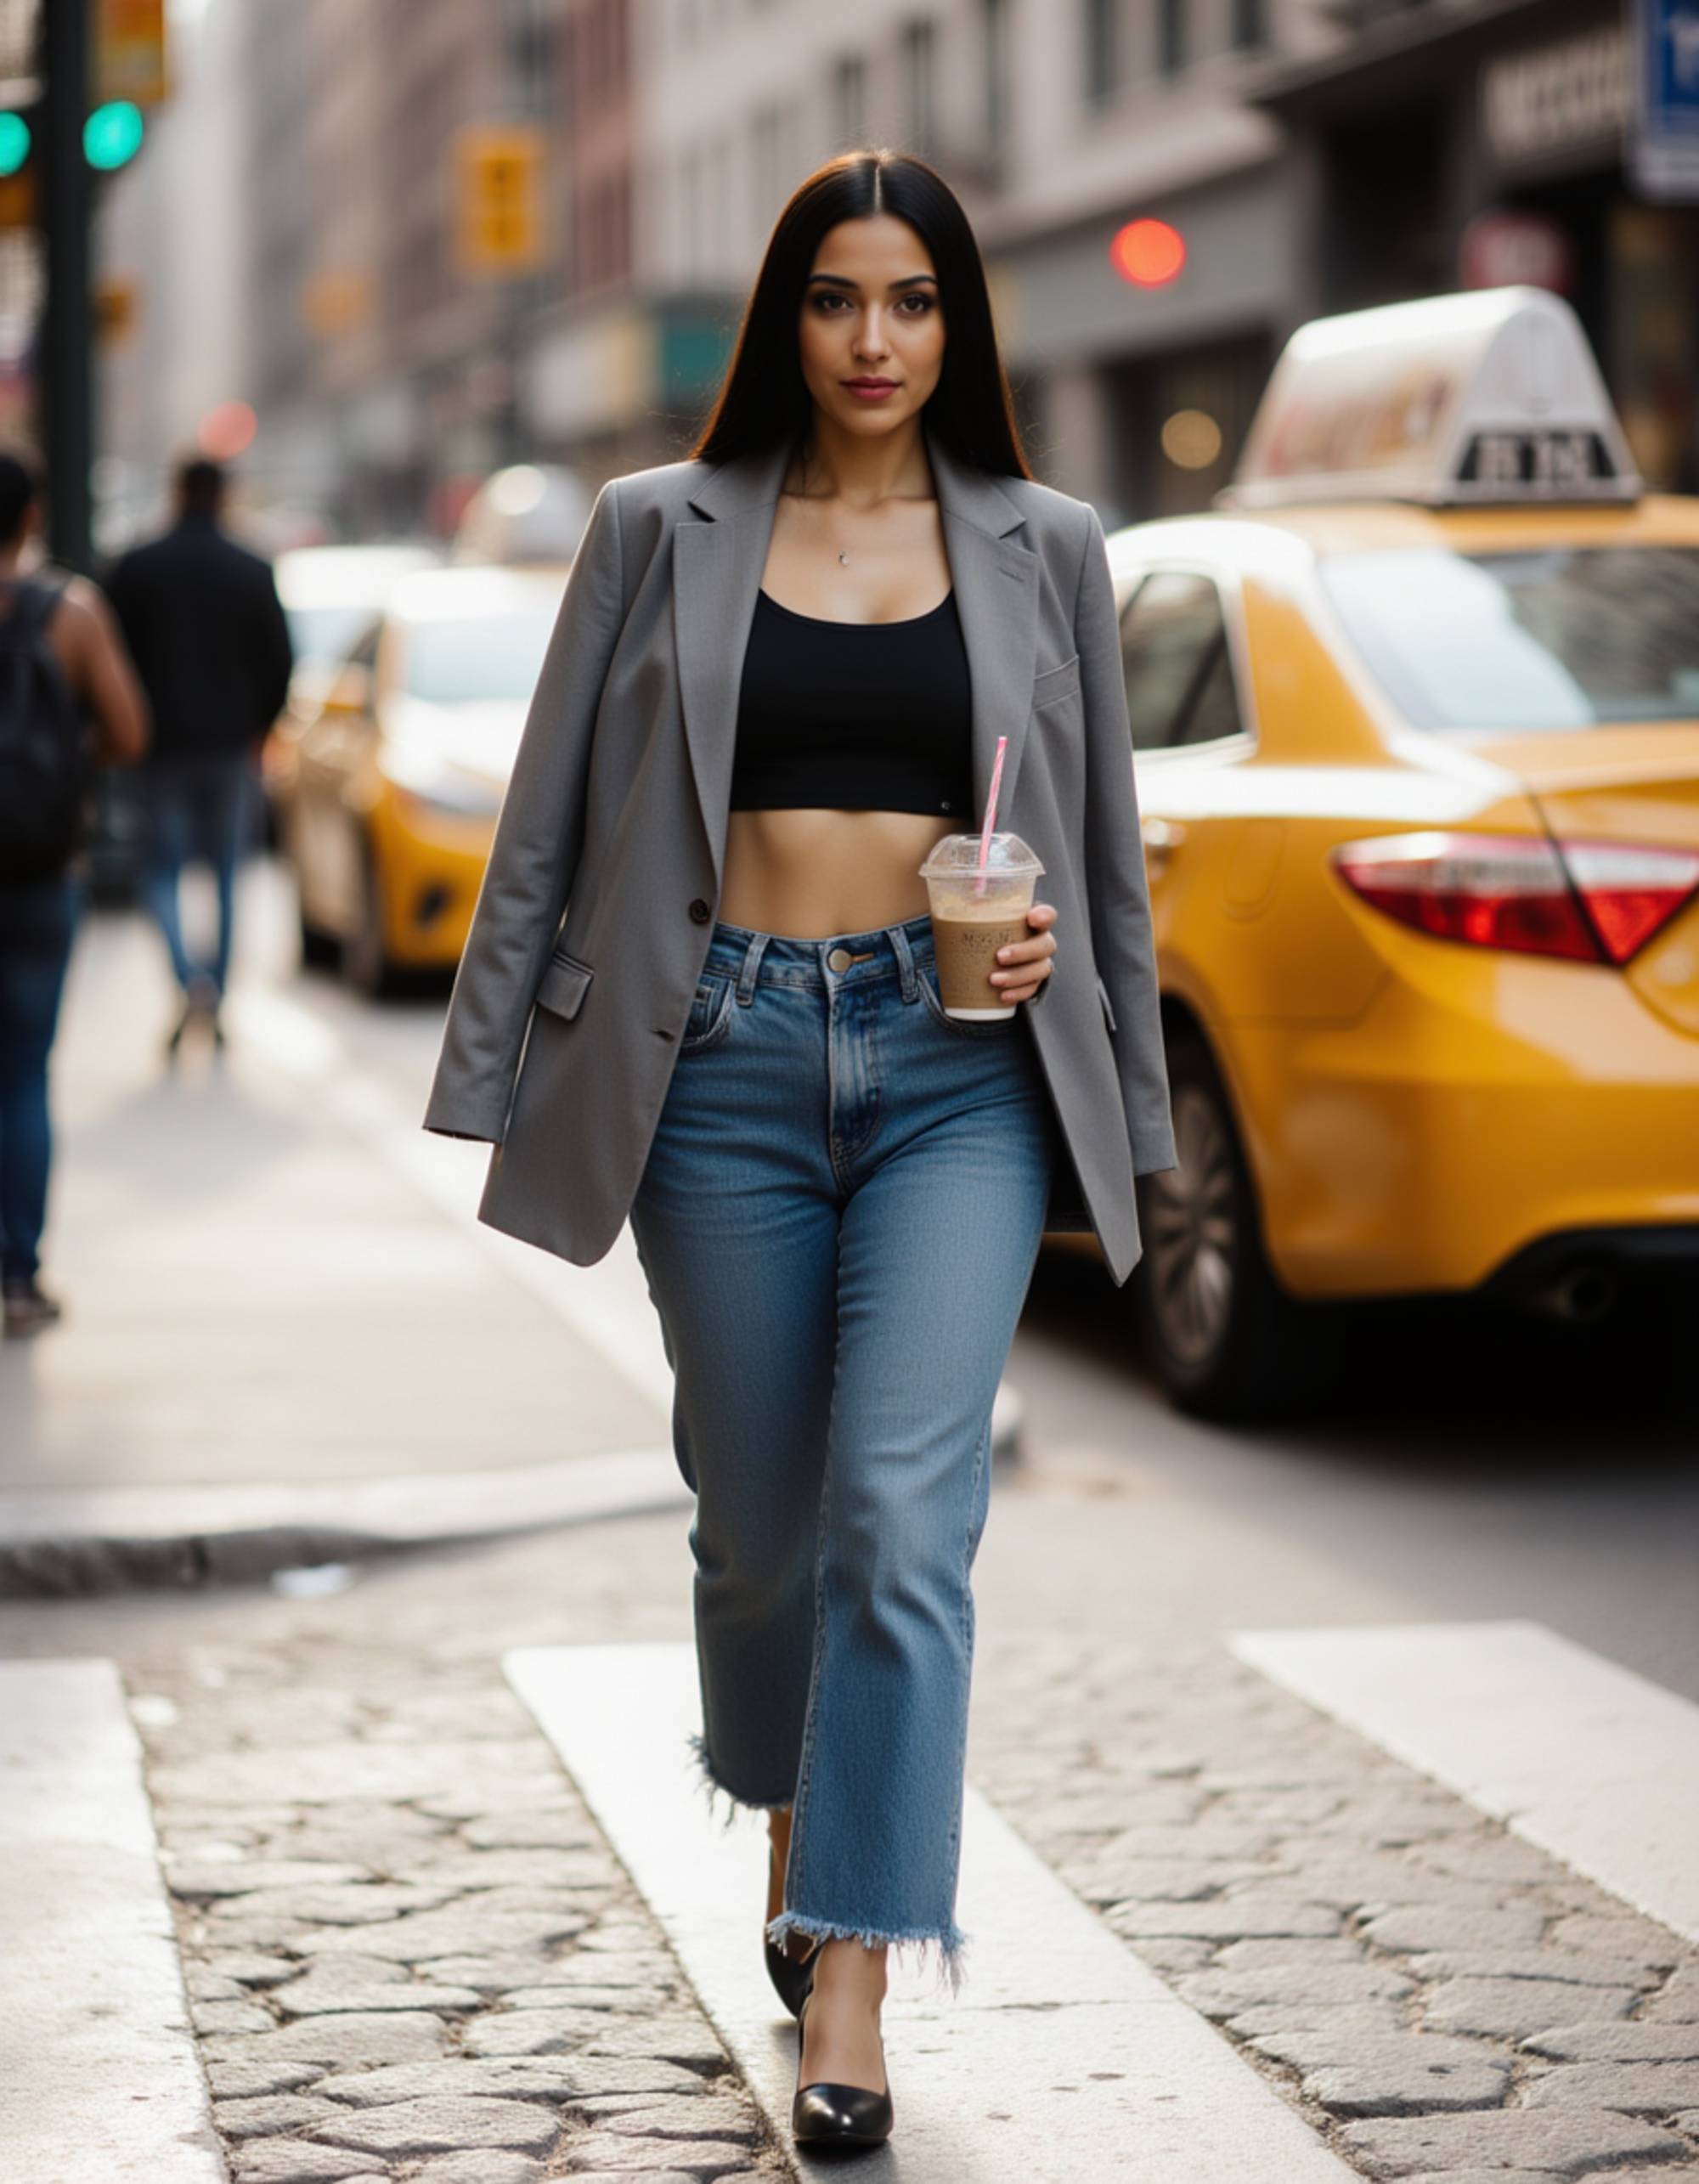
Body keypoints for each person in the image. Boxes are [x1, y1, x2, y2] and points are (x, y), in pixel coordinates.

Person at [423, 149, 1175, 2153]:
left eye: (911, 303)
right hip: (717, 1068)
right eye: (837, 301)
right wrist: (487, 1082)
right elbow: (548, 827)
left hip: (957, 1074)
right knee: (757, 1527)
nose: (872, 341)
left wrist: (1108, 1078)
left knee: (899, 1525)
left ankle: (846, 1968)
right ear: (783, 318)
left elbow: (1096, 864)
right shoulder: (646, 529)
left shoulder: (1048, 543)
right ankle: (787, 1812)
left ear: (959, 325)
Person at [0, 447, 150, 1334]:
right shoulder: (73, 611)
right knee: (22, 1077)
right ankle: (18, 1277)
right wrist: (61, 767)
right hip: (42, 873)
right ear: (30, 519)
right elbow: (130, 731)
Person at [107, 454, 293, 1052]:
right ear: (224, 496)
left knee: (159, 871)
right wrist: (258, 729)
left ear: (177, 492)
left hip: (160, 748)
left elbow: (115, 662)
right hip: (230, 749)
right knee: (227, 876)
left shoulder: (138, 567)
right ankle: (213, 987)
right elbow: (280, 661)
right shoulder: (251, 568)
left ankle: (190, 981)